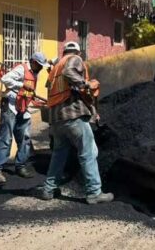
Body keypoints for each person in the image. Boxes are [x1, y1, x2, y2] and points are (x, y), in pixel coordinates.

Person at [37, 41, 113, 204]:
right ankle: (94, 192)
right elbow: (70, 72)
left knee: (58, 155)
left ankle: (49, 189)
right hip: (73, 116)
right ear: (78, 52)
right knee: (88, 152)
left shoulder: (55, 69)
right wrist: (88, 84)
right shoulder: (74, 59)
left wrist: (92, 110)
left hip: (56, 120)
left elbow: (65, 89)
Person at [0, 52, 49, 184]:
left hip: (23, 107)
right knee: (5, 138)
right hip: (10, 106)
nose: (41, 68)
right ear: (33, 62)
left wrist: (32, 97)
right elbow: (5, 79)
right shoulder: (21, 69)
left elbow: (29, 90)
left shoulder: (35, 73)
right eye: (39, 65)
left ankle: (20, 166)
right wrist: (21, 85)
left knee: (25, 138)